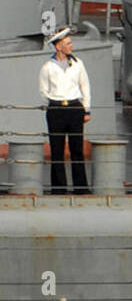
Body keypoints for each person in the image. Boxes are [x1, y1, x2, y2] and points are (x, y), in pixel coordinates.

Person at [38, 26, 92, 195]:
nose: (71, 46)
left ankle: (81, 187)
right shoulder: (47, 67)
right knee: (57, 150)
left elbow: (85, 86)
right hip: (56, 109)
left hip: (75, 108)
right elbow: (43, 90)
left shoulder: (78, 64)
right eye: (67, 43)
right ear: (58, 46)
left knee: (77, 149)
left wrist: (86, 109)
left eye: (70, 43)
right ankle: (59, 187)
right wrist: (54, 101)